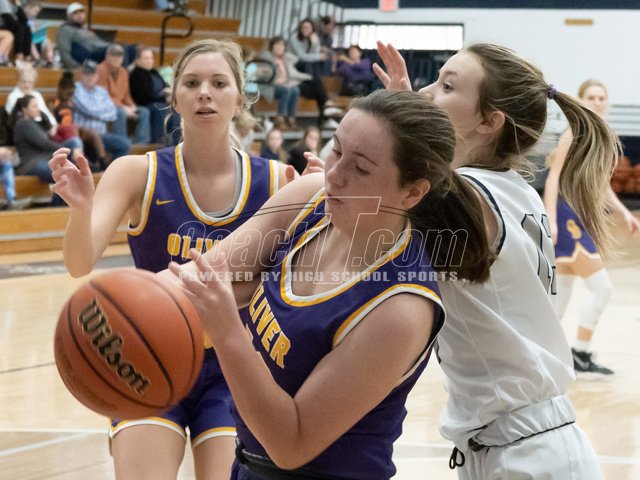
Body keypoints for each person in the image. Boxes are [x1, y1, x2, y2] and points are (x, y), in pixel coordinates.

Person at [167, 88, 492, 479]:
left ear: (412, 191)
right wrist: (111, 313)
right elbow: (197, 278)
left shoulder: (401, 309)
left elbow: (291, 443)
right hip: (248, 464)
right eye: (336, 150)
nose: (334, 175)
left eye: (361, 168)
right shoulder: (310, 199)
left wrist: (227, 331)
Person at [49, 38, 293, 480]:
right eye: (192, 83)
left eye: (219, 83)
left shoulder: (278, 181)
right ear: (174, 97)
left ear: (240, 99)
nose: (205, 93)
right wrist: (80, 210)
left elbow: (289, 287)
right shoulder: (136, 172)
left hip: (235, 364)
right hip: (143, 354)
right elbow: (78, 263)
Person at [375, 41, 620, 479]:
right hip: (515, 443)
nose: (426, 93)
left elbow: (376, 202)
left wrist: (398, 126)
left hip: (527, 452)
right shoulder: (511, 189)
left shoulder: (470, 197)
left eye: (447, 86)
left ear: (489, 121)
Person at [543, 79, 639, 375]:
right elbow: (553, 178)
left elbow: (599, 185)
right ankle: (579, 352)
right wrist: (550, 220)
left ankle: (547, 354)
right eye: (591, 97)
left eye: (601, 97)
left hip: (582, 216)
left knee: (562, 294)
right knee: (602, 288)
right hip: (567, 217)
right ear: (581, 100)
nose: (597, 102)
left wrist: (624, 212)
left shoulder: (599, 133)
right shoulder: (574, 132)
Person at [12, 94, 83, 183]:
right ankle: (77, 169)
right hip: (32, 163)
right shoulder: (24, 124)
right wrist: (71, 152)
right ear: (24, 109)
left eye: (38, 106)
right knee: (60, 173)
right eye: (34, 106)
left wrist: (43, 115)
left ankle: (79, 165)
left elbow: (50, 131)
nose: (38, 109)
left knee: (74, 141)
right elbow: (44, 143)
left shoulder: (34, 122)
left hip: (45, 156)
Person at [72, 59, 131, 162]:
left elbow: (112, 112)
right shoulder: (76, 89)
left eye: (93, 74)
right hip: (84, 134)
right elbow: (88, 109)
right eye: (87, 74)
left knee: (124, 144)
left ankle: (113, 170)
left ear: (97, 76)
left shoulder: (101, 91)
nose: (90, 77)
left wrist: (97, 112)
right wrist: (103, 111)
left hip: (102, 134)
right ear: (82, 75)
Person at [97, 43, 151, 145]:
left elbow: (126, 95)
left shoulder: (124, 72)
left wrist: (132, 106)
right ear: (107, 56)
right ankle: (122, 142)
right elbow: (104, 96)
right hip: (105, 105)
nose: (117, 58)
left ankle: (141, 143)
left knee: (144, 112)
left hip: (121, 105)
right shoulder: (100, 69)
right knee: (120, 112)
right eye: (114, 55)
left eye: (120, 55)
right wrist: (124, 108)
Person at [56, 2, 136, 69]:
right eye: (75, 13)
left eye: (81, 12)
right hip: (93, 53)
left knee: (135, 48)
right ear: (69, 16)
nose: (79, 15)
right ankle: (123, 76)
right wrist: (78, 68)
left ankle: (121, 72)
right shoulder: (65, 29)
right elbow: (64, 52)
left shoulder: (84, 29)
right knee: (120, 48)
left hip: (103, 48)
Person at [258, 36, 310, 131]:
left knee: (295, 90)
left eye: (282, 44)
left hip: (284, 85)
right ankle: (280, 119)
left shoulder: (284, 59)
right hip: (269, 86)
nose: (280, 46)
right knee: (287, 90)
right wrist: (277, 80)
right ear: (272, 46)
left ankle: (291, 118)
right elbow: (265, 74)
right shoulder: (267, 56)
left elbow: (296, 59)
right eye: (277, 44)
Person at [129, 46, 178, 145]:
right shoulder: (136, 75)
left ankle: (176, 141)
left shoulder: (154, 72)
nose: (149, 61)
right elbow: (143, 97)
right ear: (138, 60)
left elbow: (165, 85)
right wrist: (163, 97)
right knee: (161, 109)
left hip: (160, 101)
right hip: (146, 104)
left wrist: (169, 93)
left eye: (151, 58)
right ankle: (157, 141)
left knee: (176, 110)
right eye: (146, 58)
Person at [5, 65, 57, 132]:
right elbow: (17, 119)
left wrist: (53, 125)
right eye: (24, 81)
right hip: (26, 130)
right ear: (19, 81)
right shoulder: (13, 97)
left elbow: (46, 112)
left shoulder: (37, 95)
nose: (27, 85)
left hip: (43, 129)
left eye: (30, 82)